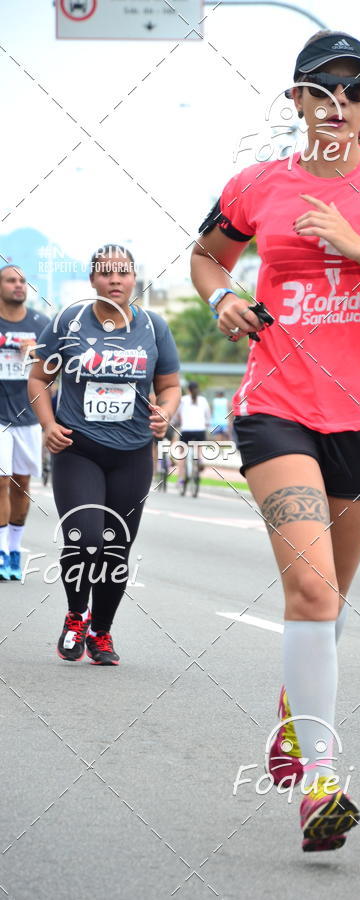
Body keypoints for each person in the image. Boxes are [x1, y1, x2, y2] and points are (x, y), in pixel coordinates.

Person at [191, 30, 360, 850]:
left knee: (328, 599)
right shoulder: (257, 183)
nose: (339, 104)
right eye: (323, 89)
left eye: (356, 90)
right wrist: (223, 297)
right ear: (297, 100)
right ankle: (321, 783)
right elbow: (207, 255)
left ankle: (293, 715)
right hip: (278, 407)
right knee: (311, 591)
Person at [28, 245, 181, 665]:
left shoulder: (153, 327)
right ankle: (76, 616)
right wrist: (48, 424)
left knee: (116, 548)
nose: (115, 279)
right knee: (86, 538)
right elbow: (39, 378)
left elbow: (169, 386)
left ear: (134, 278)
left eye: (123, 272)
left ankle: (102, 632)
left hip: (133, 452)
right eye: (106, 272)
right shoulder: (69, 322)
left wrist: (165, 413)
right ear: (92, 279)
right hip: (78, 449)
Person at [0, 265, 50, 580]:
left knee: (21, 485)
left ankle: (14, 550)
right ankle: (1, 552)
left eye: (22, 281)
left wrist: (36, 356)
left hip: (28, 417)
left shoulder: (41, 324)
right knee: (1, 481)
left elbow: (54, 373)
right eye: (11, 280)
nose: (18, 285)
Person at [173, 381, 211, 494]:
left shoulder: (183, 400)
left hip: (186, 430)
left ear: (188, 390)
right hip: (200, 429)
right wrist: (207, 423)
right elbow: (208, 415)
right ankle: (199, 459)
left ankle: (181, 479)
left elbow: (177, 415)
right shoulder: (203, 400)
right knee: (198, 448)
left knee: (182, 455)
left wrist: (176, 422)